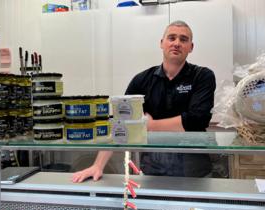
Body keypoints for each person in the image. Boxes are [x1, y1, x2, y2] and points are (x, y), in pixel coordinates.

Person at [72, 20, 216, 183]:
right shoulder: (142, 80)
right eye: (172, 38)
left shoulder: (202, 76)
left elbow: (197, 119)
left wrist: (149, 125)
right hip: (153, 171)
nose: (177, 43)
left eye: (183, 39)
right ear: (162, 43)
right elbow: (121, 123)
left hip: (194, 171)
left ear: (191, 47)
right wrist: (98, 165)